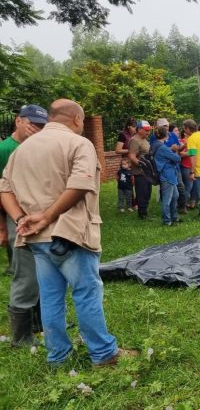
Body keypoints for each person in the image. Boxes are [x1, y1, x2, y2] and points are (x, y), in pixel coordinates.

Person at [0, 99, 137, 366]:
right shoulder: (79, 143)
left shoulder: (22, 149)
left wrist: (21, 218)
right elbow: (81, 184)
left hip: (37, 239)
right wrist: (48, 216)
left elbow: (4, 189)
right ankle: (103, 353)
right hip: (71, 235)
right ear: (76, 119)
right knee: (86, 291)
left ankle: (58, 356)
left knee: (50, 297)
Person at [0, 104, 47, 346]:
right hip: (17, 217)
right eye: (33, 123)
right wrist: (3, 227)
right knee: (26, 274)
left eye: (41, 126)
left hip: (40, 217)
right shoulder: (5, 149)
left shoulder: (39, 146)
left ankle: (39, 323)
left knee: (42, 272)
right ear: (18, 121)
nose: (37, 129)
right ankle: (20, 337)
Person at [152, 128, 182, 226]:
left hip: (168, 174)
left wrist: (170, 151)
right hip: (167, 175)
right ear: (166, 136)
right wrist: (175, 150)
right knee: (167, 199)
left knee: (175, 196)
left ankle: (174, 217)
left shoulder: (156, 144)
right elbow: (177, 158)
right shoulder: (163, 147)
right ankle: (167, 220)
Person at [128, 120, 153, 219]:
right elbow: (132, 156)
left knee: (147, 193)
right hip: (140, 172)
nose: (148, 132)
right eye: (146, 130)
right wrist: (142, 164)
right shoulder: (134, 140)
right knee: (142, 193)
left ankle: (145, 211)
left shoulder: (144, 139)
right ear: (139, 130)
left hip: (147, 172)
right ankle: (142, 214)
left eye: (149, 130)